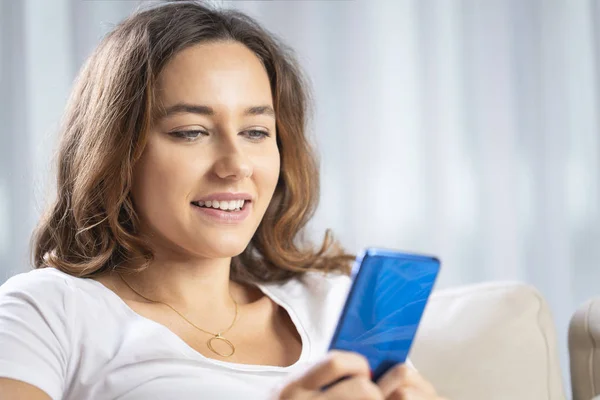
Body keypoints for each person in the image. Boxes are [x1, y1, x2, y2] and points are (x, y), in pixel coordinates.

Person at [0, 1, 445, 399]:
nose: (236, 165)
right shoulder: (48, 311)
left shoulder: (332, 305)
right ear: (116, 152)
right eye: (191, 132)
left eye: (255, 132)